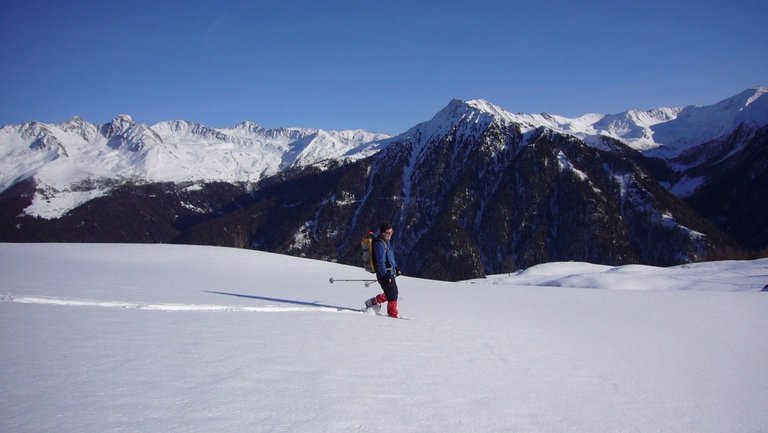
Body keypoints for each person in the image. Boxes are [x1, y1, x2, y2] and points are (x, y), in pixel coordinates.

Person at [363, 221, 401, 318]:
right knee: (393, 295)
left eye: (392, 232)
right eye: (389, 233)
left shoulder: (386, 242)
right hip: (384, 273)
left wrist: (396, 268)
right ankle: (392, 316)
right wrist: (385, 274)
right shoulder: (380, 244)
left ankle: (373, 302)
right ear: (383, 233)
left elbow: (390, 257)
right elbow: (380, 261)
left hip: (389, 272)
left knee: (392, 293)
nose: (391, 234)